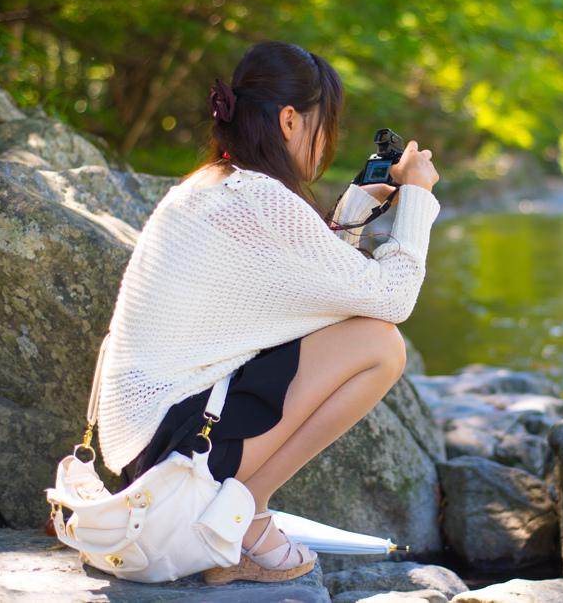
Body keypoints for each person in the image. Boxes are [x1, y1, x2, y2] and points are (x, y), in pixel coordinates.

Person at [95, 41, 440, 584]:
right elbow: (391, 301)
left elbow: (308, 287)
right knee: (380, 345)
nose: (327, 142)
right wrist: (416, 197)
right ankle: (245, 518)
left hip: (136, 451)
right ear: (289, 120)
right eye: (326, 125)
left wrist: (354, 209)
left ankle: (238, 516)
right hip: (173, 456)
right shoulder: (261, 199)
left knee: (360, 332)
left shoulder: (206, 185)